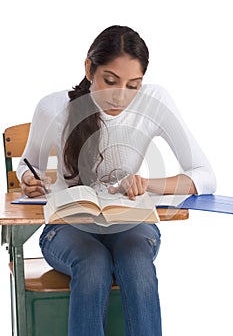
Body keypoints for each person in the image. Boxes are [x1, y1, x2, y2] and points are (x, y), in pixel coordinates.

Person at [17, 25, 216, 336]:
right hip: (66, 229)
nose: (120, 96)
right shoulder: (52, 107)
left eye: (133, 85)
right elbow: (28, 166)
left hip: (130, 223)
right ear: (89, 69)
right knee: (93, 263)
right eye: (110, 81)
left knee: (137, 264)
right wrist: (29, 178)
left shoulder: (155, 102)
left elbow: (205, 175)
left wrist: (146, 183)